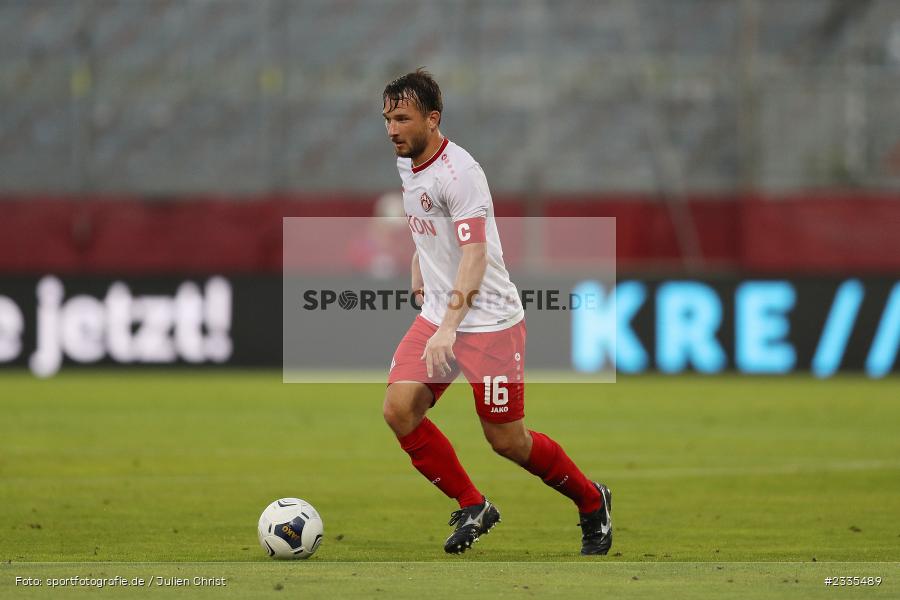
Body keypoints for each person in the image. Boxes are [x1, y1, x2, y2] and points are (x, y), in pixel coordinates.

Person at [381, 69, 612, 555]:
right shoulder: (409, 162)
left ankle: (593, 502)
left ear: (433, 118)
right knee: (400, 409)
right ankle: (472, 505)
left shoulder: (460, 173)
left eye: (402, 118)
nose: (392, 129)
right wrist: (419, 262)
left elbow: (475, 255)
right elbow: (429, 224)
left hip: (488, 324)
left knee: (507, 442)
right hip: (442, 315)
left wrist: (448, 328)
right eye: (387, 118)